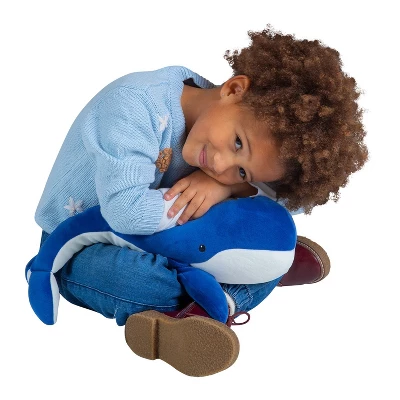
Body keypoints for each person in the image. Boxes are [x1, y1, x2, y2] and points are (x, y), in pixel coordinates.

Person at [31, 26, 368, 376]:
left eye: (242, 171)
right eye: (237, 143)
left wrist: (224, 188)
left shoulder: (228, 134)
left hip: (179, 238)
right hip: (78, 242)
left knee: (267, 238)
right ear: (234, 90)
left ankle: (215, 300)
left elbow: (288, 200)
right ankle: (241, 284)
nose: (221, 165)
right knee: (141, 282)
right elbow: (127, 214)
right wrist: (229, 189)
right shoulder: (135, 106)